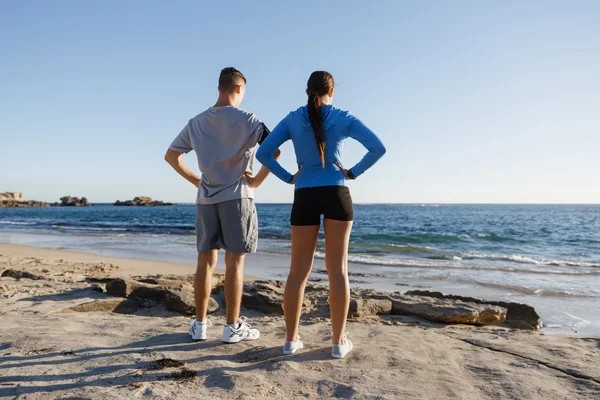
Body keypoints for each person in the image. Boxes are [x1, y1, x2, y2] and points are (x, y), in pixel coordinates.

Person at [256, 71, 386, 358]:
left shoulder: (292, 119)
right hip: (337, 193)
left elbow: (263, 153)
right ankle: (338, 343)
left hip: (304, 195)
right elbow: (378, 148)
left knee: (297, 272)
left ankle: (291, 341)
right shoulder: (343, 117)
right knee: (337, 270)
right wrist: (352, 172)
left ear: (306, 91)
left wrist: (290, 177)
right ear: (333, 91)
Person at [165, 67, 279, 343]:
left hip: (206, 199)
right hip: (238, 197)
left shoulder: (196, 122)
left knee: (205, 261)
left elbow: (171, 156)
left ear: (219, 87)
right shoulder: (250, 119)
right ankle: (231, 327)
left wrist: (196, 180)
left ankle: (200, 325)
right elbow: (274, 150)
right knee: (235, 262)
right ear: (239, 89)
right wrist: (259, 180)